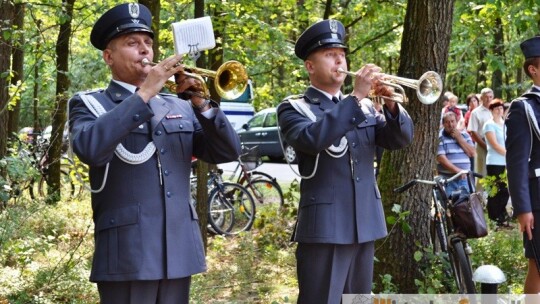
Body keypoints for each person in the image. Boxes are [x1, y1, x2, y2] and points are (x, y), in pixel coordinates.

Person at [68, 3, 241, 303]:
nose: (144, 50)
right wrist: (144, 93)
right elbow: (92, 149)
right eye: (132, 43)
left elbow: (226, 150)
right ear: (108, 57)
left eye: (148, 43)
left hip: (178, 251)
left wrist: (201, 104)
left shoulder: (179, 105)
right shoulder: (90, 104)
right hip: (127, 253)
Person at [277, 19, 414, 303]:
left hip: (364, 222)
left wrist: (390, 105)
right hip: (324, 227)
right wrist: (356, 96)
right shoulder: (294, 108)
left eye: (341, 52)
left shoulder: (363, 105)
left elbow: (399, 139)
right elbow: (314, 138)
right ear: (310, 66)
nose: (339, 58)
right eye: (329, 54)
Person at [506, 35, 540, 294]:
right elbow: (516, 163)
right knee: (538, 266)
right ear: (533, 69)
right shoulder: (523, 107)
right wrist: (522, 208)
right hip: (538, 199)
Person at [483, 98, 510, 228]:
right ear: (491, 110)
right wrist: (509, 154)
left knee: (505, 191)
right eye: (496, 109)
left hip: (505, 162)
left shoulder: (504, 123)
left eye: (501, 108)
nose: (499, 111)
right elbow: (494, 144)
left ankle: (501, 216)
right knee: (495, 190)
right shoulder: (489, 124)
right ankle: (494, 218)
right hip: (494, 162)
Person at [436, 111, 476, 196]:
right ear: (443, 124)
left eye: (452, 121)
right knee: (450, 206)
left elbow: (472, 153)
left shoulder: (465, 135)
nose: (450, 125)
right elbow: (441, 159)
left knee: (467, 206)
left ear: (457, 122)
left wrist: (459, 139)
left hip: (465, 179)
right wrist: (459, 172)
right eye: (447, 122)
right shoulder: (440, 137)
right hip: (448, 180)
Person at [467, 87, 494, 187]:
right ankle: (479, 199)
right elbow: (473, 131)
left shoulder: (496, 110)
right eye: (486, 97)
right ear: (481, 98)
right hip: (482, 144)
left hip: (496, 146)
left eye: (490, 97)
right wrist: (485, 146)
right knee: (481, 173)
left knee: (495, 172)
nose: (488, 99)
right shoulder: (476, 112)